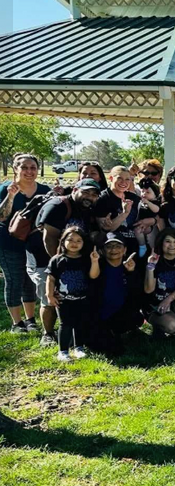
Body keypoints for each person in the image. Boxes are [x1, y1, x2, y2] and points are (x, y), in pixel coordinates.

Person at [26, 179, 100, 348]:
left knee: (69, 295)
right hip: (43, 257)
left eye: (94, 194)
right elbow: (49, 238)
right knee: (50, 296)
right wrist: (59, 266)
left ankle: (71, 332)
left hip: (71, 259)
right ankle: (48, 333)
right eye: (86, 192)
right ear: (75, 189)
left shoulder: (86, 209)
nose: (90, 196)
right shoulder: (58, 205)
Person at [0, 153, 50, 333]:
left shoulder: (44, 189)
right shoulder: (5, 188)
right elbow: (1, 216)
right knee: (14, 280)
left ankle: (30, 320)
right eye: (24, 167)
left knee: (31, 282)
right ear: (15, 169)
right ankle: (17, 323)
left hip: (34, 245)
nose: (29, 171)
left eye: (33, 168)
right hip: (9, 244)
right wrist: (11, 197)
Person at [46, 227, 100, 361]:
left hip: (82, 299)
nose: (74, 243)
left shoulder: (86, 259)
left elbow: (94, 276)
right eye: (70, 240)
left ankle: (79, 348)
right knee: (65, 324)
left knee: (80, 323)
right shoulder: (57, 260)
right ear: (62, 241)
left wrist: (94, 261)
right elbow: (51, 278)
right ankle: (63, 351)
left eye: (78, 240)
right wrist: (49, 295)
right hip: (63, 300)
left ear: (83, 243)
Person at [92, 232, 141, 355]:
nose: (113, 249)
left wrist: (131, 273)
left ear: (125, 250)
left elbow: (137, 293)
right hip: (99, 315)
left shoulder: (130, 267)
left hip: (121, 314)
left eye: (118, 246)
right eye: (109, 246)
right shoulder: (97, 266)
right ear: (102, 251)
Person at [95, 166, 147, 258]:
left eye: (127, 179)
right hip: (114, 251)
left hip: (134, 248)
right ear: (111, 178)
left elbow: (147, 216)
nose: (124, 182)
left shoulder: (133, 197)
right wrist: (125, 213)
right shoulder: (103, 199)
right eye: (120, 178)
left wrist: (149, 221)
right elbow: (106, 229)